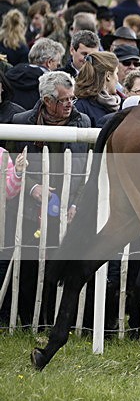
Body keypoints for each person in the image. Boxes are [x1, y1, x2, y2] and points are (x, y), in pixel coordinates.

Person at [7, 71, 90, 327]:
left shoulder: (83, 122)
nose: (69, 105)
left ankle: (54, 322)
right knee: (29, 268)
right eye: (64, 100)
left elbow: (88, 168)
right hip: (29, 210)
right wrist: (32, 188)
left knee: (61, 268)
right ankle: (26, 321)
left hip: (68, 210)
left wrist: (76, 202)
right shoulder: (21, 122)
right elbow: (9, 165)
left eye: (72, 99)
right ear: (46, 100)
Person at [7, 38, 66, 111]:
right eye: (58, 65)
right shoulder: (48, 85)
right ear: (49, 62)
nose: (58, 69)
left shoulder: (11, 75)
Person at [74, 51, 121, 127]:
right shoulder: (80, 107)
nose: (117, 79)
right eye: (116, 73)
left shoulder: (121, 104)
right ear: (108, 75)